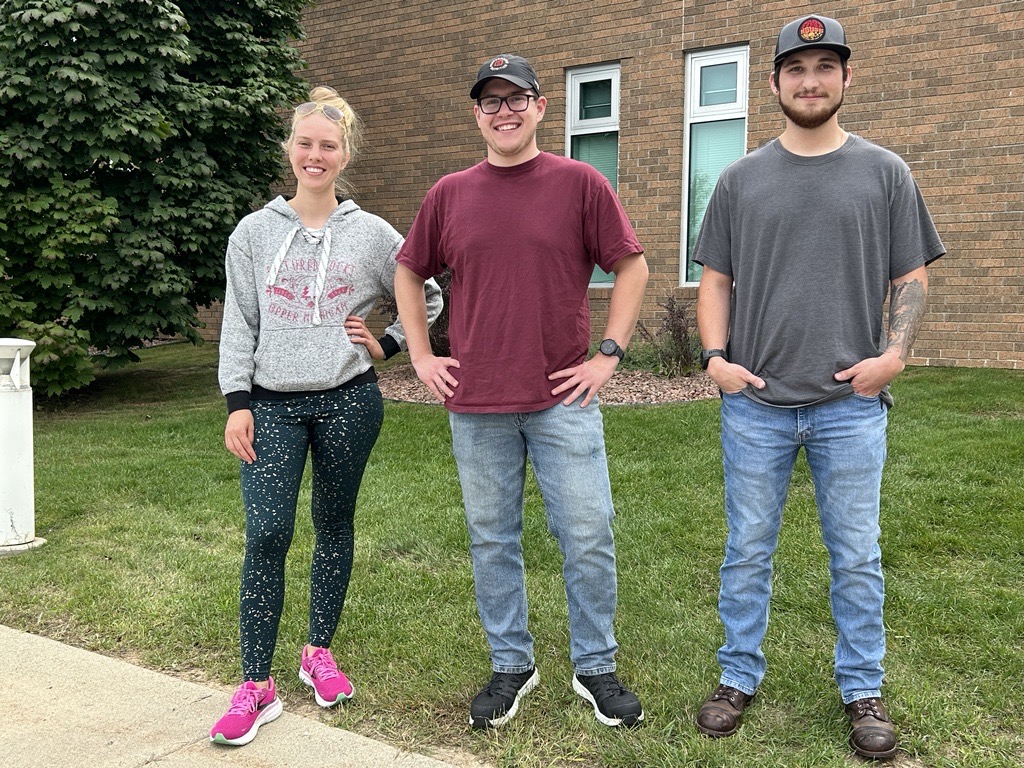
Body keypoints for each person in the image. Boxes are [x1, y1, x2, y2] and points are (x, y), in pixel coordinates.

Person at [691, 15, 945, 760]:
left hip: (849, 407)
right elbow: (716, 281)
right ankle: (737, 677)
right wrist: (715, 359)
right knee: (747, 550)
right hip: (756, 405)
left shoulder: (885, 172)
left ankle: (862, 689)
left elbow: (912, 276)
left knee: (857, 554)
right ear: (773, 82)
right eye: (796, 69)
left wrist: (893, 355)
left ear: (846, 77)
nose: (810, 81)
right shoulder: (741, 179)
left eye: (824, 66)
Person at [393, 54, 649, 729]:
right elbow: (408, 270)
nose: (503, 112)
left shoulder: (579, 183)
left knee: (588, 533)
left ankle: (596, 666)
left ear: (540, 107)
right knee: (491, 539)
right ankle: (513, 663)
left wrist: (608, 356)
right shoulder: (449, 193)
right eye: (490, 102)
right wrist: (421, 354)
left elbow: (632, 264)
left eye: (516, 99)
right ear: (476, 114)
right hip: (476, 403)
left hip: (563, 397)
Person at [210, 86, 443, 747]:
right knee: (267, 534)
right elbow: (238, 323)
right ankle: (256, 685)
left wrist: (390, 342)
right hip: (272, 407)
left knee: (333, 524)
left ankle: (317, 653)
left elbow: (424, 290)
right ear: (290, 149)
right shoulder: (252, 235)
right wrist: (237, 403)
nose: (316, 155)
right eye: (305, 143)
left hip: (348, 401)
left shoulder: (370, 233)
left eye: (329, 146)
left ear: (345, 155)